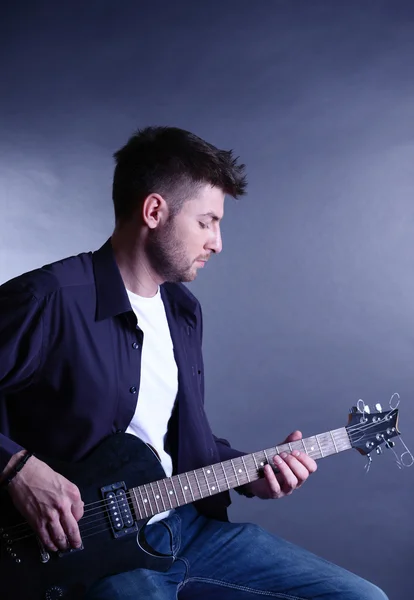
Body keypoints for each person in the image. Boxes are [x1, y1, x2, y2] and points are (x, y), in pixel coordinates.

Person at [0, 126, 387, 599]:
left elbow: (181, 442)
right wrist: (16, 468)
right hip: (93, 556)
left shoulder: (183, 311)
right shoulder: (49, 298)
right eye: (207, 222)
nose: (217, 242)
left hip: (191, 528)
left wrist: (255, 476)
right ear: (154, 211)